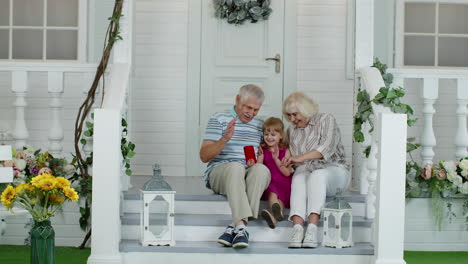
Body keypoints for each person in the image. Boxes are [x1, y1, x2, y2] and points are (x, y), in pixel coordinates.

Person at [199, 84, 271, 249]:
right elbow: (204, 156)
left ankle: (238, 227)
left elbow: (261, 152)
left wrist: (259, 158)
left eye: (256, 110)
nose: (251, 113)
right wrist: (224, 139)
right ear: (238, 100)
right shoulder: (219, 119)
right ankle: (240, 224)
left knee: (261, 170)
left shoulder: (259, 124)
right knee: (236, 167)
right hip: (221, 173)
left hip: (246, 172)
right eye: (248, 107)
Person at [282, 91, 350, 248]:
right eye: (288, 115)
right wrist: (287, 159)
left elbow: (324, 150)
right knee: (298, 176)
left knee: (317, 175)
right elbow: (292, 154)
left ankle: (312, 229)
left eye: (295, 114)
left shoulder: (326, 120)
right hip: (307, 170)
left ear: (305, 110)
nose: (292, 119)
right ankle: (297, 229)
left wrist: (298, 158)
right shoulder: (292, 130)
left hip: (335, 170)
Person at [257, 117, 293, 229]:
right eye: (266, 134)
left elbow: (287, 173)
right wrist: (260, 157)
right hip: (270, 181)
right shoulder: (263, 149)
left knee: (275, 195)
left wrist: (276, 159)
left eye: (273, 134)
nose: (269, 137)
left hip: (283, 182)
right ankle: (276, 216)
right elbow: (258, 168)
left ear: (281, 136)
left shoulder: (286, 151)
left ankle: (276, 212)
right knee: (273, 193)